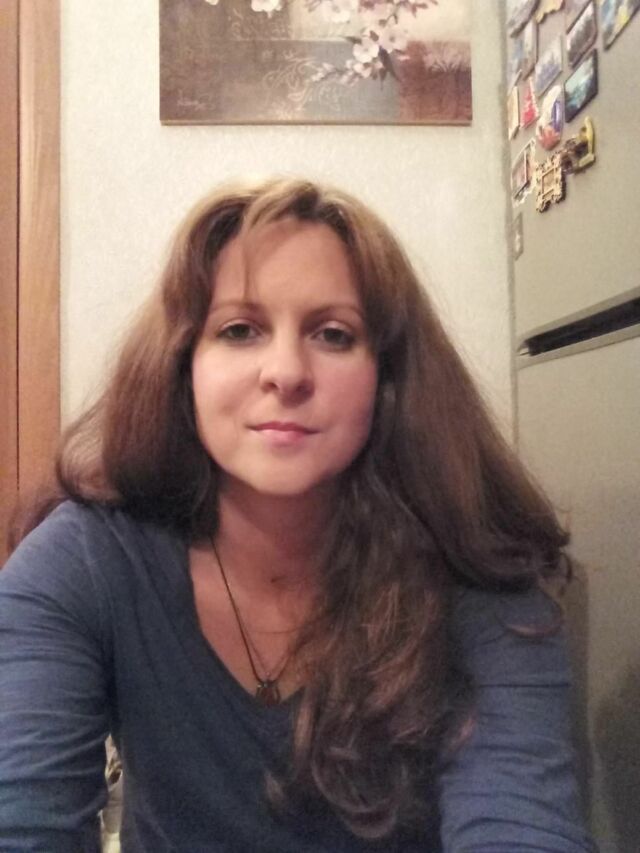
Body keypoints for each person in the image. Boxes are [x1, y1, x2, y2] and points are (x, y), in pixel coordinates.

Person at [0, 177, 596, 852]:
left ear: (388, 378)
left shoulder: (473, 571)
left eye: (334, 334)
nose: (285, 372)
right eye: (240, 330)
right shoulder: (84, 562)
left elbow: (520, 824)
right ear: (183, 366)